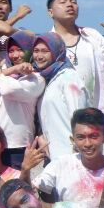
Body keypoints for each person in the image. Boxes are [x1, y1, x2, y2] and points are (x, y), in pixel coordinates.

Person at [46, 0, 104, 131]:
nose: (70, 4)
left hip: (91, 116)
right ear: (50, 12)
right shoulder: (46, 42)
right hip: (58, 116)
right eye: (63, 2)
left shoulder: (91, 35)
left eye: (73, 1)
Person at [0, 30, 45, 170]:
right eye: (11, 51)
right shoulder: (5, 70)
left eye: (20, 50)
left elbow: (7, 89)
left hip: (16, 144)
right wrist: (13, 69)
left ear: (30, 51)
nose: (15, 55)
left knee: (15, 181)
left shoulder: (36, 78)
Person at [32, 32, 88, 161]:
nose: (39, 56)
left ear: (56, 52)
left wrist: (79, 148)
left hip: (70, 153)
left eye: (45, 51)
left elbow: (79, 114)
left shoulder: (69, 77)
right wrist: (40, 135)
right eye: (36, 51)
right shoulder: (46, 78)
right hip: (52, 153)